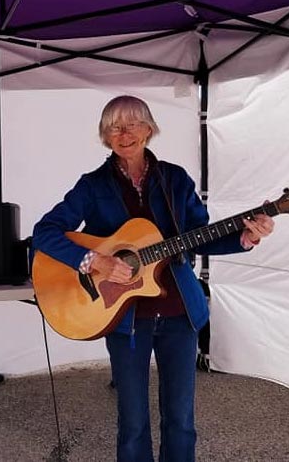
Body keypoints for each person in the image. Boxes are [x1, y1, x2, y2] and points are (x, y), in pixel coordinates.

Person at [32, 95, 274, 462]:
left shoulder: (174, 180)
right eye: (114, 126)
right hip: (124, 317)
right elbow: (44, 232)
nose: (124, 133)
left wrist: (246, 237)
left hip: (179, 313)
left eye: (132, 123)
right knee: (132, 422)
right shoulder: (92, 185)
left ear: (149, 128)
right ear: (105, 135)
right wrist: (93, 260)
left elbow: (199, 233)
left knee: (180, 419)